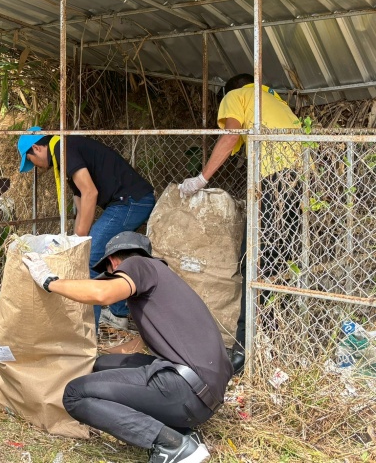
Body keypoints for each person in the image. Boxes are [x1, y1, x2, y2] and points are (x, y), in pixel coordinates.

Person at [22, 232, 232, 463]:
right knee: (100, 365)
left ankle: (172, 445)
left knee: (74, 394)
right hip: (202, 395)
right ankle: (180, 431)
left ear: (114, 263)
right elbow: (136, 346)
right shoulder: (163, 283)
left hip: (186, 390)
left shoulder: (139, 264)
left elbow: (102, 294)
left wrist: (49, 281)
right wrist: (86, 354)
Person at [179, 73, 302, 374]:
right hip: (299, 184)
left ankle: (245, 350)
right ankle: (273, 340)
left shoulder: (237, 95)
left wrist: (201, 179)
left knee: (253, 262)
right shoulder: (272, 99)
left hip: (274, 184)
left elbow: (231, 136)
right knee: (276, 263)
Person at [17, 128, 155, 329]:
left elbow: (90, 192)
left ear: (37, 148)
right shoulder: (63, 152)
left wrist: (80, 240)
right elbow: (81, 202)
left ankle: (90, 328)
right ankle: (118, 314)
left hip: (130, 202)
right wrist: (75, 239)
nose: (35, 167)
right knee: (110, 255)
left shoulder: (63, 149)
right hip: (130, 201)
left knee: (90, 257)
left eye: (31, 161)